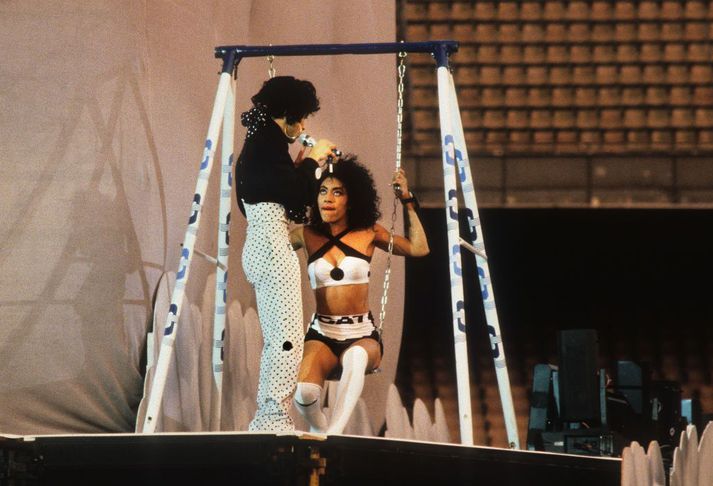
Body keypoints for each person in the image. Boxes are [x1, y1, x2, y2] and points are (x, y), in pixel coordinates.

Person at [289, 156, 429, 434]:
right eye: (322, 191)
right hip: (322, 334)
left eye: (337, 192)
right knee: (303, 394)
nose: (327, 199)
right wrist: (288, 181)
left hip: (361, 335)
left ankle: (334, 435)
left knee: (354, 358)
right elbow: (267, 251)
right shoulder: (304, 234)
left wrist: (407, 201)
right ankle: (321, 430)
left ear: (351, 200)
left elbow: (418, 248)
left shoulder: (368, 233)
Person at [236, 76, 336, 432]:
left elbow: (279, 195)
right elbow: (296, 201)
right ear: (289, 115)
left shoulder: (260, 144)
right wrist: (312, 161)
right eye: (302, 117)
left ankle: (271, 412)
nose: (304, 126)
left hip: (261, 241)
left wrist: (301, 168)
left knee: (281, 335)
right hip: (272, 246)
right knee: (287, 338)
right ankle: (271, 415)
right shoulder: (266, 146)